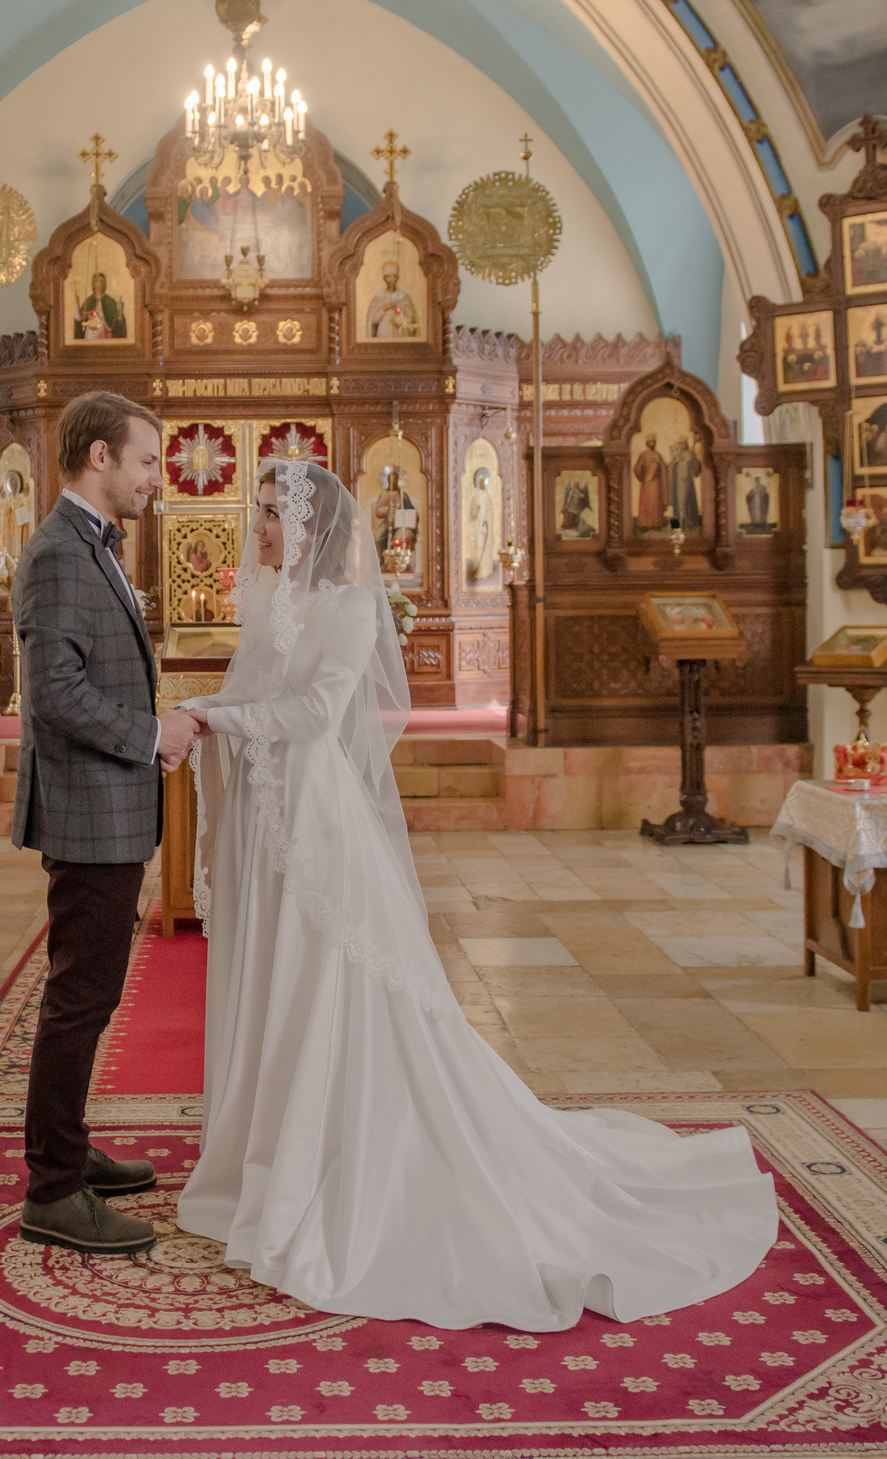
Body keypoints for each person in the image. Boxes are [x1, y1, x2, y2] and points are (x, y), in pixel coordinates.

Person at [174, 459, 777, 1327]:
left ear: (314, 527)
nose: (258, 527)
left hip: (317, 827)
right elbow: (248, 690)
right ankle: (268, 1165)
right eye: (259, 511)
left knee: (324, 992)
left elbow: (312, 715)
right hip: (268, 826)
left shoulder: (346, 608)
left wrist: (207, 717)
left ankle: (332, 1169)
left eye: (273, 513)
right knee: (277, 988)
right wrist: (208, 709)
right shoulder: (267, 600)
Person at [10, 391, 205, 1256]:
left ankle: (71, 1145)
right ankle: (53, 1187)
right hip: (90, 810)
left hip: (110, 807)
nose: (156, 477)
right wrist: (152, 735)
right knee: (79, 997)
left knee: (87, 993)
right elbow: (54, 695)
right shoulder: (58, 553)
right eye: (148, 460)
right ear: (99, 456)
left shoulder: (93, 547)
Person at [632, 434, 670, 531]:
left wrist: (660, 464)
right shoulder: (643, 455)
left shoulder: (658, 454)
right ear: (647, 443)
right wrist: (644, 472)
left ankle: (656, 524)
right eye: (651, 442)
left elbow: (664, 467)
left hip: (657, 483)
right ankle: (645, 524)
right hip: (647, 484)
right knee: (646, 503)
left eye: (654, 442)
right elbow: (636, 468)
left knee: (656, 504)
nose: (652, 444)